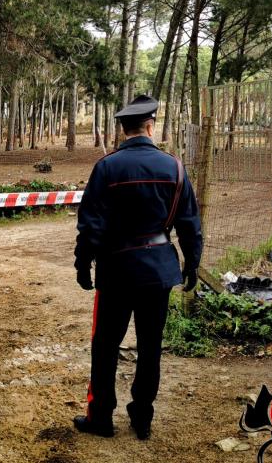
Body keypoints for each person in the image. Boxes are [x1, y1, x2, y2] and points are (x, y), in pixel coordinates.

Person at [73, 95, 203, 439]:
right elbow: (190, 223)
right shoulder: (174, 167)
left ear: (122, 128)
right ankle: (142, 418)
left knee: (105, 346)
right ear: (151, 125)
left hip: (116, 270)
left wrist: (82, 264)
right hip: (158, 272)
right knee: (150, 346)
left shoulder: (107, 167)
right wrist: (193, 262)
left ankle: (100, 417)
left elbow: (90, 226)